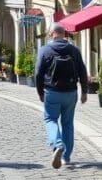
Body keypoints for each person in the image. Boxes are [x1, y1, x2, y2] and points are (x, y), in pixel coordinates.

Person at [34, 23, 88, 169]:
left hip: (51, 91)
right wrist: (84, 91)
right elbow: (82, 71)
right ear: (64, 34)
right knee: (68, 123)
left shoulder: (45, 50)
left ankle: (58, 144)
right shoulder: (74, 50)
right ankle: (66, 157)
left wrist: (40, 92)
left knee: (50, 119)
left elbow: (38, 73)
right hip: (70, 92)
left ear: (52, 33)